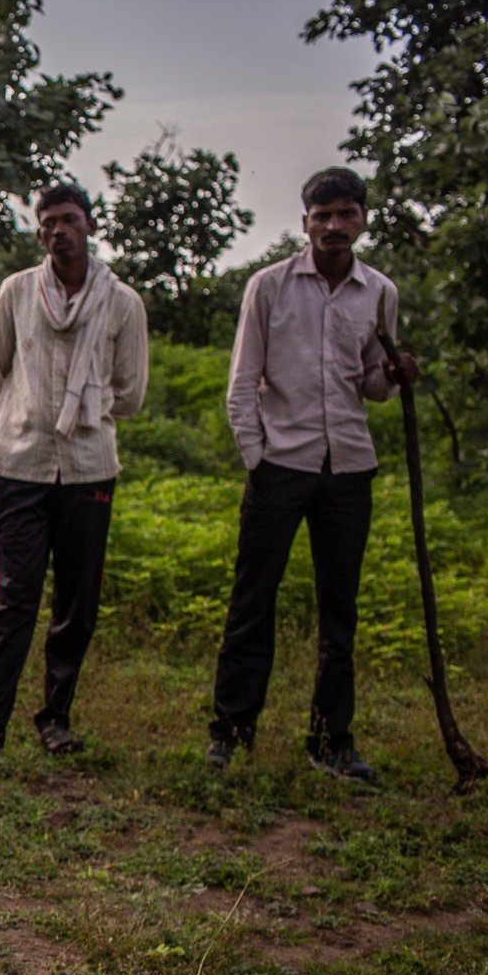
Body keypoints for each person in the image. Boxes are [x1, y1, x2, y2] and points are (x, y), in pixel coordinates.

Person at [207, 167, 417, 780]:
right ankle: (232, 734)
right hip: (281, 466)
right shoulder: (269, 287)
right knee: (252, 602)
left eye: (345, 214)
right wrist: (258, 459)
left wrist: (396, 372)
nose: (332, 226)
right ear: (304, 222)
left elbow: (372, 386)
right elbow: (242, 384)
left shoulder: (379, 293)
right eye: (321, 215)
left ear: (361, 221)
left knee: (339, 611)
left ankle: (331, 742)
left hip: (349, 467)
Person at [0, 183, 149, 757]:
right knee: (12, 599)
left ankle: (55, 719)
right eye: (47, 223)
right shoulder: (16, 291)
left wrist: (82, 405)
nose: (57, 231)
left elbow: (132, 393)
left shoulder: (122, 303)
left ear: (89, 226)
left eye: (68, 220)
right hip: (20, 462)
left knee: (76, 601)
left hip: (89, 468)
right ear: (38, 232)